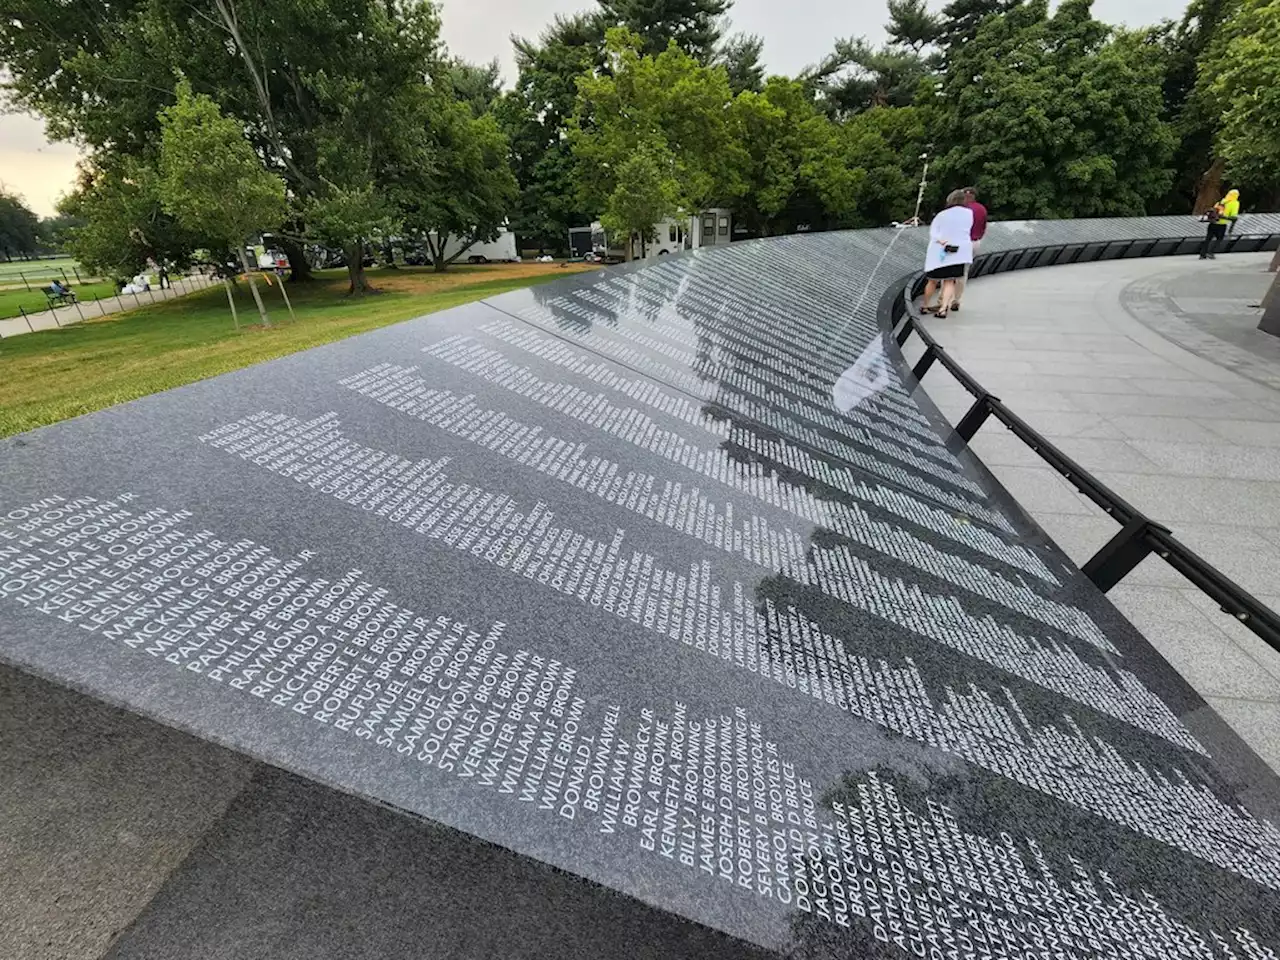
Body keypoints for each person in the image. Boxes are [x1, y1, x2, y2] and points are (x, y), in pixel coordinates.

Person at [920, 190, 974, 319]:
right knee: (950, 281)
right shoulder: (969, 214)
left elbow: (934, 233)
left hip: (940, 252)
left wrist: (942, 241)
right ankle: (943, 308)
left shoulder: (942, 215)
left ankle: (926, 305)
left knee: (932, 281)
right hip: (959, 252)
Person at [952, 186, 987, 311]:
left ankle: (943, 299)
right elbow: (983, 227)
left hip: (959, 243)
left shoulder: (959, 209)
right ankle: (957, 299)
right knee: (963, 271)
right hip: (974, 243)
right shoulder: (981, 209)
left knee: (949, 270)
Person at [1199, 188, 1241, 260]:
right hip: (1222, 223)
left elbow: (1214, 210)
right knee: (1219, 239)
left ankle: (1202, 254)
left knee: (1208, 238)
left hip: (1213, 222)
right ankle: (1211, 252)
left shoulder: (1222, 200)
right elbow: (1234, 215)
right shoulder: (1235, 203)